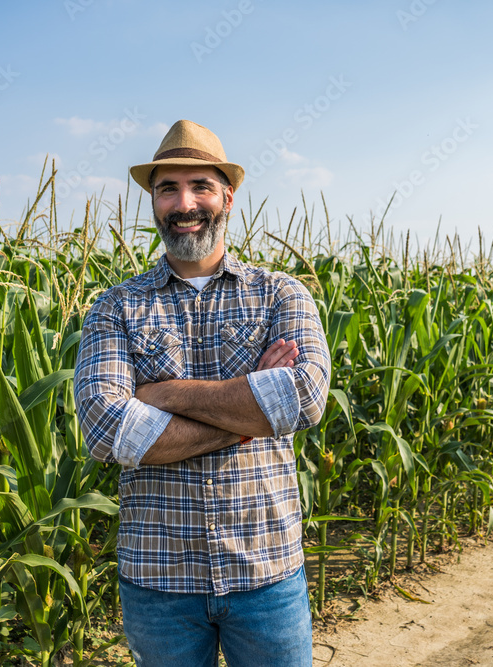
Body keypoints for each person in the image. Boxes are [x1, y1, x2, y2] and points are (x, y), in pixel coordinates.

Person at [73, 119, 330, 666]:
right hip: (158, 581)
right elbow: (104, 426)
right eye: (168, 188)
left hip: (266, 571)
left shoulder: (281, 294)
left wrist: (160, 395)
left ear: (228, 197)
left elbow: (303, 396)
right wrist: (249, 414)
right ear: (153, 201)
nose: (184, 202)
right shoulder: (114, 307)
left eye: (200, 186)